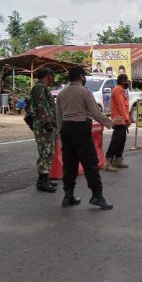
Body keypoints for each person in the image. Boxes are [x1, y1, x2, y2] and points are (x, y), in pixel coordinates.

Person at [56, 66, 122, 209]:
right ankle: (97, 196)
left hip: (66, 130)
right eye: (84, 76)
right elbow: (95, 113)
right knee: (90, 164)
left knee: (69, 164)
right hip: (80, 129)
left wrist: (61, 133)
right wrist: (110, 122)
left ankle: (68, 196)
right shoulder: (84, 92)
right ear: (81, 77)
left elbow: (59, 117)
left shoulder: (62, 93)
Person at [30, 67, 58, 193]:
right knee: (45, 152)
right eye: (51, 75)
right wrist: (48, 123)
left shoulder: (43, 87)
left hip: (46, 124)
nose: (53, 78)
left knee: (49, 152)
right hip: (44, 125)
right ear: (48, 76)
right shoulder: (39, 87)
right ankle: (42, 181)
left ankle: (44, 178)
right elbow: (41, 106)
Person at [103, 73, 131, 172]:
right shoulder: (118, 90)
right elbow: (121, 106)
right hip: (119, 119)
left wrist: (128, 119)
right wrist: (127, 119)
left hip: (122, 119)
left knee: (121, 140)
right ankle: (108, 162)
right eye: (126, 80)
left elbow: (125, 106)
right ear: (123, 81)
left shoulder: (122, 90)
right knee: (116, 140)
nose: (128, 83)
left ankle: (118, 160)